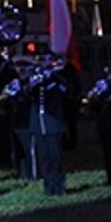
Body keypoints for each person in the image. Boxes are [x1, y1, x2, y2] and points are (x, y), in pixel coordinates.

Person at [26, 54, 70, 196]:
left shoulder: (58, 79)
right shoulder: (35, 78)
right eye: (42, 60)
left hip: (53, 124)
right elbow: (28, 93)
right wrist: (31, 83)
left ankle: (59, 186)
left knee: (55, 156)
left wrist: (51, 78)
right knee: (44, 157)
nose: (43, 63)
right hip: (38, 124)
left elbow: (64, 93)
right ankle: (48, 186)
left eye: (46, 60)